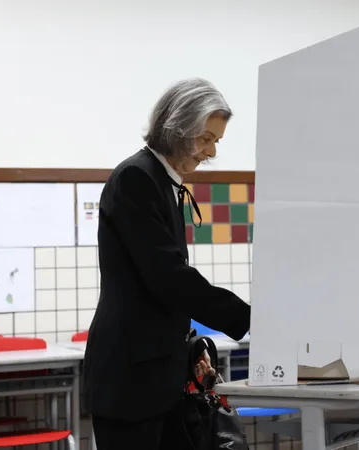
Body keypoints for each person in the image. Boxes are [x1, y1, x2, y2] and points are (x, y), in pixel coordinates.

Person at [83, 78, 251, 450]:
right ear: (178, 126)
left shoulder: (162, 181)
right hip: (130, 380)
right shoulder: (137, 178)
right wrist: (249, 319)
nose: (209, 152)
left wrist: (190, 347)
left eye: (216, 142)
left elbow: (162, 289)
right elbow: (167, 278)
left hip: (157, 376)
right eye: (205, 138)